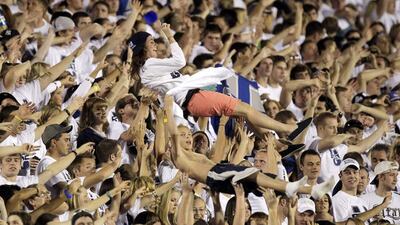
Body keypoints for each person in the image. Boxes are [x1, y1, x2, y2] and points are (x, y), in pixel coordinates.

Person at [129, 23, 313, 143]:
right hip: (194, 98)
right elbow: (180, 61)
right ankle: (289, 129)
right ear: (142, 49)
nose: (155, 44)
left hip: (195, 97)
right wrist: (170, 36)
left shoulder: (148, 68)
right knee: (247, 109)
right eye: (151, 42)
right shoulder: (149, 65)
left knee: (246, 114)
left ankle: (273, 144)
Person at [164, 95, 334, 199]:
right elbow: (171, 132)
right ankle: (295, 187)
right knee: (253, 173)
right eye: (183, 135)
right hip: (216, 176)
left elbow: (215, 160)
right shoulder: (179, 157)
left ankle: (311, 190)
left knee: (262, 179)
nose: (188, 136)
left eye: (188, 133)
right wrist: (168, 108)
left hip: (221, 175)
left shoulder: (193, 156)